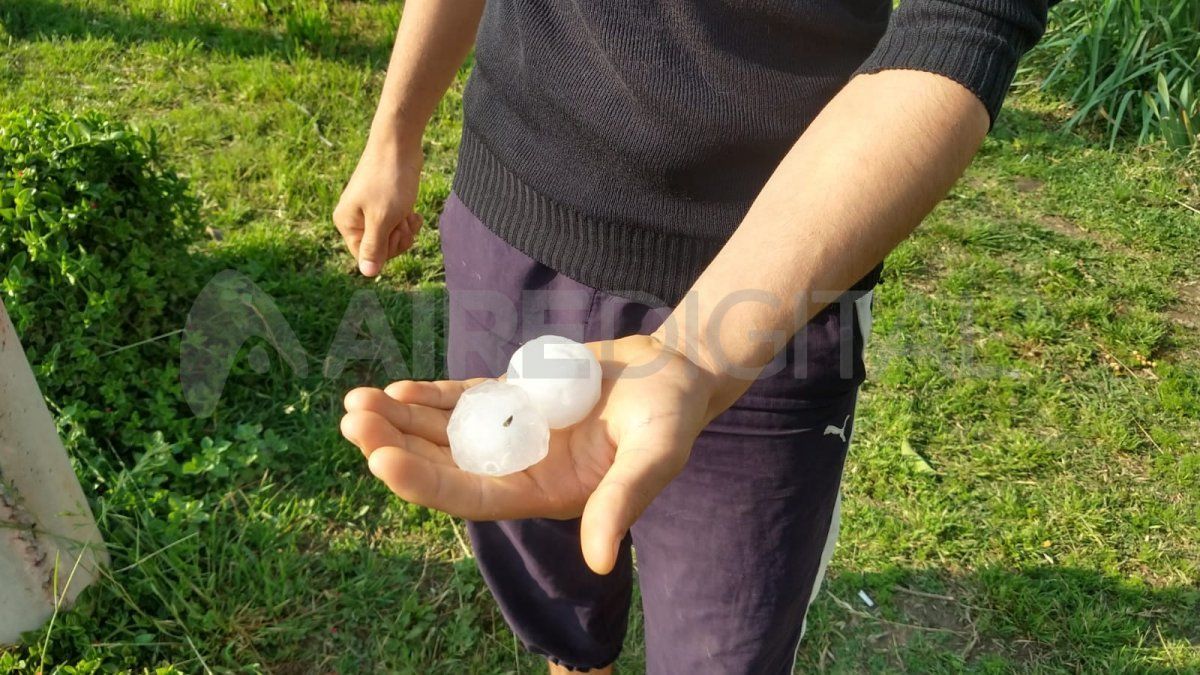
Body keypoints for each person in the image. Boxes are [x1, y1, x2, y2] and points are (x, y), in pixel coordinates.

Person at [335, 0, 1052, 672]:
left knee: (725, 645)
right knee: (544, 571)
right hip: (512, 213)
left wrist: (698, 352)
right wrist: (395, 130)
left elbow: (965, 18)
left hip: (774, 283)